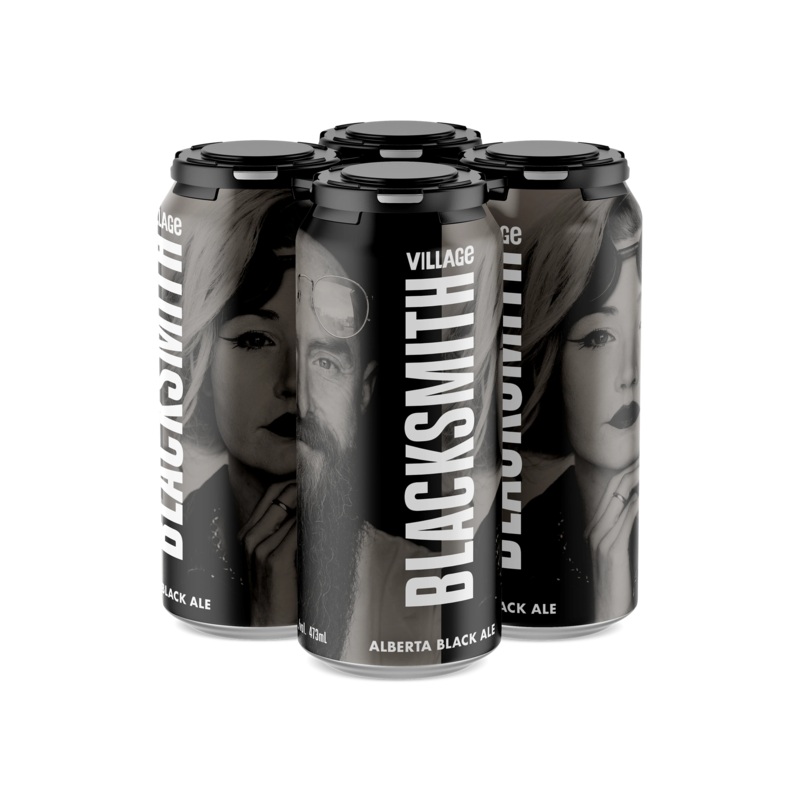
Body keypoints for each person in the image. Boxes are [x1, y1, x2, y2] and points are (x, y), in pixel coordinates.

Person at [295, 224, 501, 664]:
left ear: (365, 389)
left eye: (327, 362)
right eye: (256, 341)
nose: (300, 400)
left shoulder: (412, 577)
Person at [178, 190, 306, 627]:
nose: (292, 382)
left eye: (322, 343)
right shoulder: (183, 545)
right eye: (255, 340)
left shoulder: (422, 559)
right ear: (200, 360)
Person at [517, 192, 642, 624]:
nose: (629, 373)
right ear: (553, 363)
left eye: (643, 327)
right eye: (599, 337)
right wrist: (608, 591)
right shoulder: (525, 543)